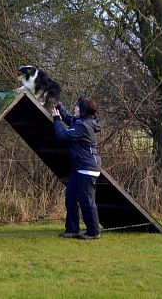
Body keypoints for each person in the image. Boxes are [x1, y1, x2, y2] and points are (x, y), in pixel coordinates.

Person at [51, 96, 102, 240]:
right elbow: (68, 118)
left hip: (87, 167)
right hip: (79, 167)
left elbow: (62, 135)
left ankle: (93, 232)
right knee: (71, 197)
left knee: (87, 201)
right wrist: (59, 106)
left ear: (84, 110)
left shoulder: (83, 126)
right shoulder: (81, 121)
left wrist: (56, 119)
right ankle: (72, 229)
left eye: (78, 107)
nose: (75, 108)